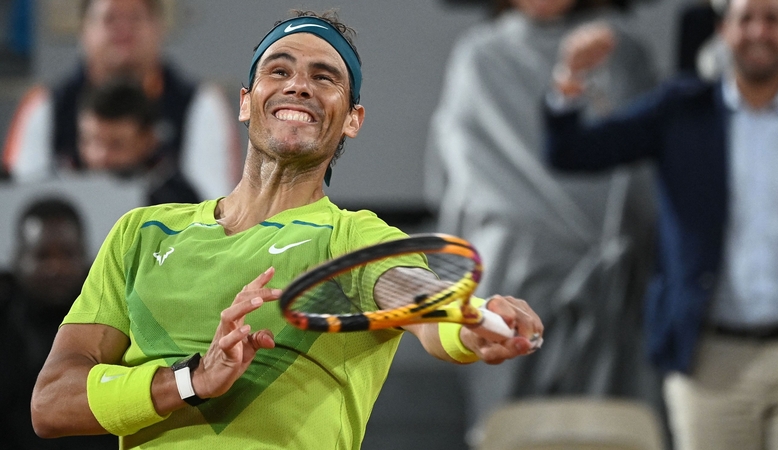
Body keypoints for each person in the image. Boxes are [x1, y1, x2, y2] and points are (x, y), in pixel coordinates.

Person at [29, 9, 544, 450]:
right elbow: (51, 402)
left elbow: (420, 302)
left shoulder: (352, 239)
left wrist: (471, 321)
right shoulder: (142, 233)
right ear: (245, 101)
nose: (299, 85)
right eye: (279, 70)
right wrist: (191, 381)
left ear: (353, 119)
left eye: (325, 78)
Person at [545, 0, 778, 448]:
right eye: (746, 19)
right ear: (723, 31)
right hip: (709, 358)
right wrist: (571, 78)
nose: (759, 31)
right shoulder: (683, 109)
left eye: (773, 20)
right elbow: (573, 152)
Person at [426, 0, 660, 438]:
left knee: (607, 429)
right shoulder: (480, 55)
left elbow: (646, 168)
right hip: (509, 268)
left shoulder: (622, 50)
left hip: (610, 275)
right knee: (510, 424)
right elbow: (458, 170)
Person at [2, 0, 240, 200]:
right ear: (83, 29)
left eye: (135, 18)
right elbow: (19, 199)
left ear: (159, 27)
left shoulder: (200, 103)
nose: (123, 30)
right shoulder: (44, 105)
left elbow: (216, 208)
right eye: (110, 19)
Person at [0, 197, 118, 449]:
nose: (56, 267)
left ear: (86, 257)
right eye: (42, 256)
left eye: (67, 254)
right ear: (18, 258)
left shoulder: (117, 317)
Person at [76, 77, 200, 205]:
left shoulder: (177, 202)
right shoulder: (64, 186)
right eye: (89, 141)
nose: (101, 156)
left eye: (116, 144)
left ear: (149, 140)